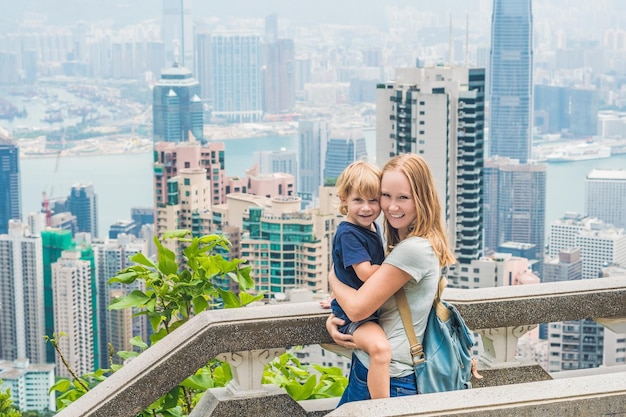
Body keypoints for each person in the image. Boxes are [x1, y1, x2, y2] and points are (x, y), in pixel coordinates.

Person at [326, 153, 456, 405]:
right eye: (386, 196)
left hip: (393, 378)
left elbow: (357, 308)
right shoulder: (407, 241)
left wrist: (333, 277)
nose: (391, 207)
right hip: (375, 368)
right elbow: (372, 296)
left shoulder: (412, 249)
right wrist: (335, 318)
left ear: (422, 199)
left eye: (403, 198)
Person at [322, 159, 391, 400]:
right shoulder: (349, 233)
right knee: (380, 350)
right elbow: (364, 273)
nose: (367, 208)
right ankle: (384, 410)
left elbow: (344, 270)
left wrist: (334, 291)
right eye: (358, 200)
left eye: (373, 200)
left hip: (364, 306)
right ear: (343, 200)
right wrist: (396, 266)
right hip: (356, 316)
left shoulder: (372, 227)